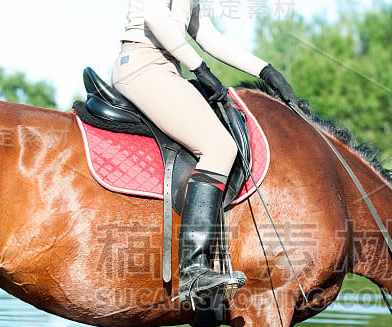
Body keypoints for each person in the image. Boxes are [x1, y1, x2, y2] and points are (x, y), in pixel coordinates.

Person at [112, 0, 297, 304]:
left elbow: (206, 35)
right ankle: (193, 270)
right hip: (145, 64)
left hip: (166, 68)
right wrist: (200, 69)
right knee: (220, 148)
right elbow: (156, 16)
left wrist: (265, 70)